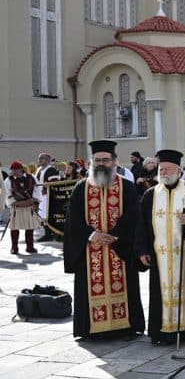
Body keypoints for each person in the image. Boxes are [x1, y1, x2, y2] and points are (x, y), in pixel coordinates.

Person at [63, 140, 145, 339]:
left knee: (126, 286)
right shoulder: (81, 188)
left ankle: (125, 327)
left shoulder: (127, 187)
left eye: (105, 160)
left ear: (114, 161)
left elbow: (135, 215)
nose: (101, 164)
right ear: (92, 161)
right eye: (97, 160)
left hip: (120, 248)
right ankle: (90, 329)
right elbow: (72, 219)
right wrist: (92, 235)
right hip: (89, 249)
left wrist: (114, 234)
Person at [135, 150, 185, 345]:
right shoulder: (150, 195)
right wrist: (142, 250)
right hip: (158, 256)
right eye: (161, 169)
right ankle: (160, 332)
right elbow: (141, 226)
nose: (164, 173)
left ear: (179, 171)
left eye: (168, 169)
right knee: (159, 291)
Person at [5, 161, 42, 254]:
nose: (14, 172)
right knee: (14, 228)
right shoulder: (8, 180)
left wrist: (34, 201)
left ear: (21, 169)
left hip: (29, 206)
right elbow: (7, 194)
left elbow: (37, 189)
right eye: (12, 170)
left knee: (29, 227)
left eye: (16, 169)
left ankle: (30, 247)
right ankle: (14, 247)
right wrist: (17, 203)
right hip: (17, 207)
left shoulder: (31, 178)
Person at [34, 152, 60, 241]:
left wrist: (48, 184)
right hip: (40, 195)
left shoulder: (51, 169)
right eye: (39, 158)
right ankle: (47, 233)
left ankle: (49, 234)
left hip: (48, 196)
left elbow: (56, 182)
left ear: (48, 160)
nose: (40, 160)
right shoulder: (39, 169)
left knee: (46, 215)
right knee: (41, 215)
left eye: (42, 158)